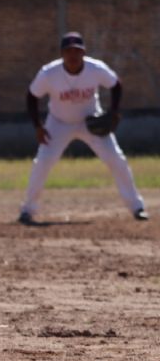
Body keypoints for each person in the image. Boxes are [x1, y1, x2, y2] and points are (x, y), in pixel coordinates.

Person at [18, 31, 147, 224]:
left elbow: (116, 84)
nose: (73, 55)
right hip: (58, 123)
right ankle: (28, 210)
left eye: (77, 51)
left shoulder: (95, 68)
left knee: (117, 159)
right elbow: (32, 96)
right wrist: (38, 125)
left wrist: (113, 112)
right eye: (68, 51)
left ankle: (137, 207)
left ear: (83, 52)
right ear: (62, 53)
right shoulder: (49, 73)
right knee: (43, 163)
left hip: (90, 122)